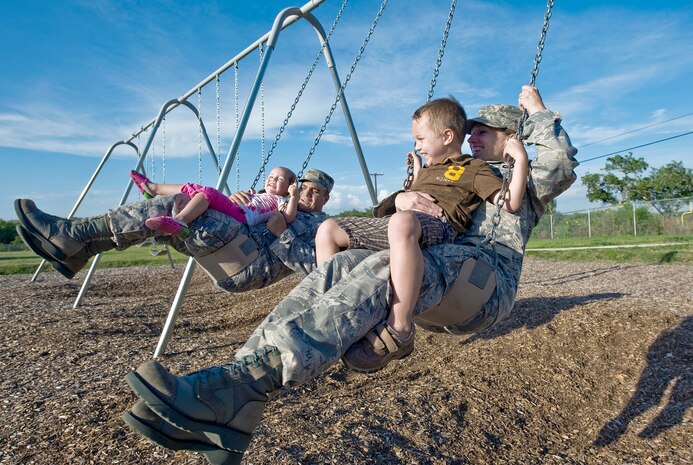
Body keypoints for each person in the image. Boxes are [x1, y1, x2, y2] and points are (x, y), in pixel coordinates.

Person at [119, 85, 579, 464]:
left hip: (483, 282)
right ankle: (238, 390)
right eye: (470, 131)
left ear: (512, 135)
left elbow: (558, 159)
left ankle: (239, 389)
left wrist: (536, 111)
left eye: (485, 132)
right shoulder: (456, 169)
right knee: (343, 262)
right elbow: (415, 203)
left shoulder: (525, 175)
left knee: (380, 265)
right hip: (438, 267)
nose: (473, 138)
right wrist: (401, 198)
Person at [315, 97, 528, 371]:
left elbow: (509, 202)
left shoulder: (473, 169)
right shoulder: (427, 170)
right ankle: (337, 313)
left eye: (421, 138)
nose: (417, 145)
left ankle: (400, 326)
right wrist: (413, 178)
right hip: (401, 225)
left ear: (447, 136)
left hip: (439, 228)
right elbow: (396, 204)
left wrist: (520, 159)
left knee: (402, 222)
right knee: (329, 228)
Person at [15, 168, 334, 292]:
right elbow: (256, 212)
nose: (307, 193)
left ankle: (72, 237)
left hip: (248, 260)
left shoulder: (322, 224)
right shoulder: (278, 203)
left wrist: (283, 234)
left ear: (326, 198)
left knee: (178, 204)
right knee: (172, 219)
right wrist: (240, 201)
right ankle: (80, 248)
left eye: (315, 191)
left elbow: (318, 269)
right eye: (304, 187)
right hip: (234, 245)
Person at [129, 166, 300, 238]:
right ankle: (153, 188)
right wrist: (252, 197)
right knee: (193, 188)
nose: (272, 180)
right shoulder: (259, 195)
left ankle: (180, 221)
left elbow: (288, 217)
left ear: (289, 186)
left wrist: (293, 196)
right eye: (271, 176)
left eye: (279, 179)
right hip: (236, 210)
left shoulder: (281, 200)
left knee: (209, 192)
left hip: (241, 218)